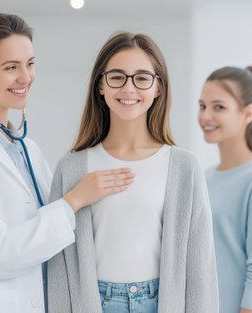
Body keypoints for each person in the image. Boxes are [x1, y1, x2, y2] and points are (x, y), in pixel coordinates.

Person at [0, 12, 134, 313]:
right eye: (11, 67)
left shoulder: (27, 148)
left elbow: (49, 237)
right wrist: (73, 201)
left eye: (30, 64)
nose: (26, 77)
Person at [48, 32, 218, 313]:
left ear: (158, 88)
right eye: (117, 77)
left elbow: (200, 267)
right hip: (95, 304)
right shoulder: (72, 168)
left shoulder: (185, 168)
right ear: (101, 85)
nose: (129, 88)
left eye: (141, 78)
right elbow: (59, 267)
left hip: (161, 303)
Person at [198, 66, 252, 313]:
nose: (205, 116)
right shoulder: (205, 178)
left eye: (219, 107)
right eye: (202, 106)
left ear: (248, 114)